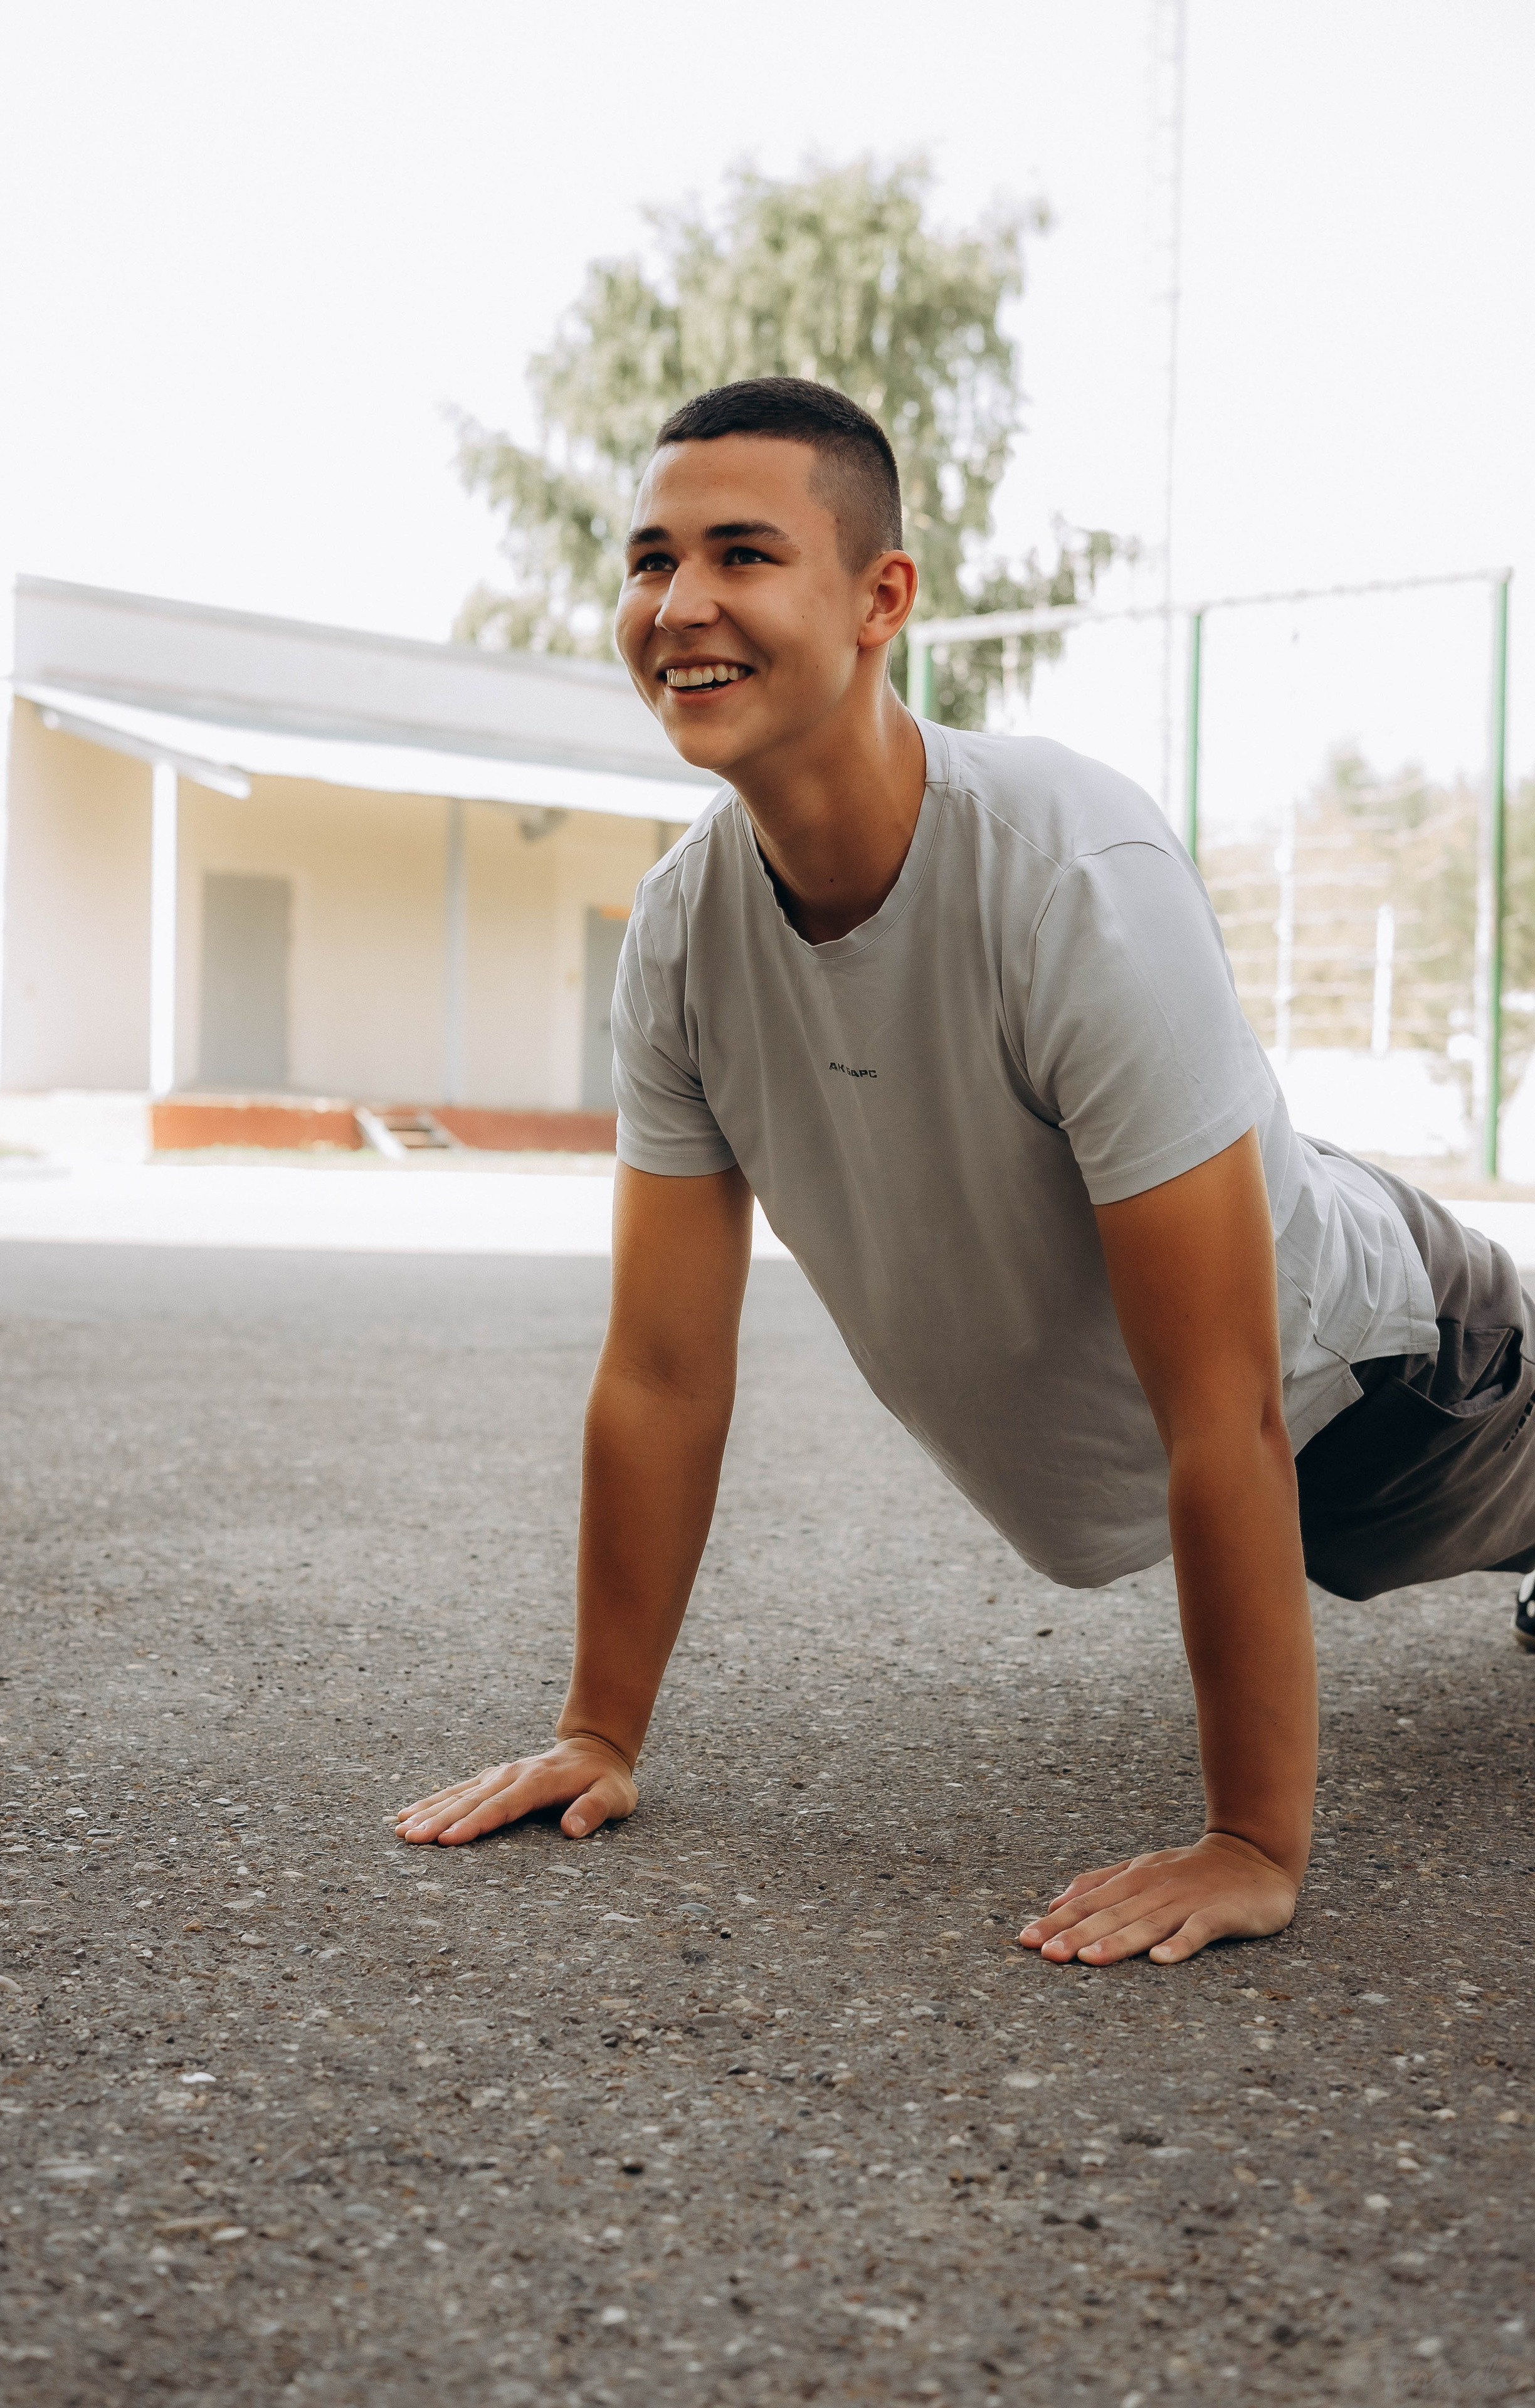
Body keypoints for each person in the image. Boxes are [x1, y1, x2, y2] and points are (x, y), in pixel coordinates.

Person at [398, 378, 1535, 1964]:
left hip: (1394, 1367)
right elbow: (660, 1374)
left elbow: (1230, 1408)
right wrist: (599, 1731)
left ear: (882, 600)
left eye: (742, 553)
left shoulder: (1070, 870)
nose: (680, 605)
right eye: (651, 560)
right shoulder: (679, 935)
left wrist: (1249, 1843)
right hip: (1249, 1390)